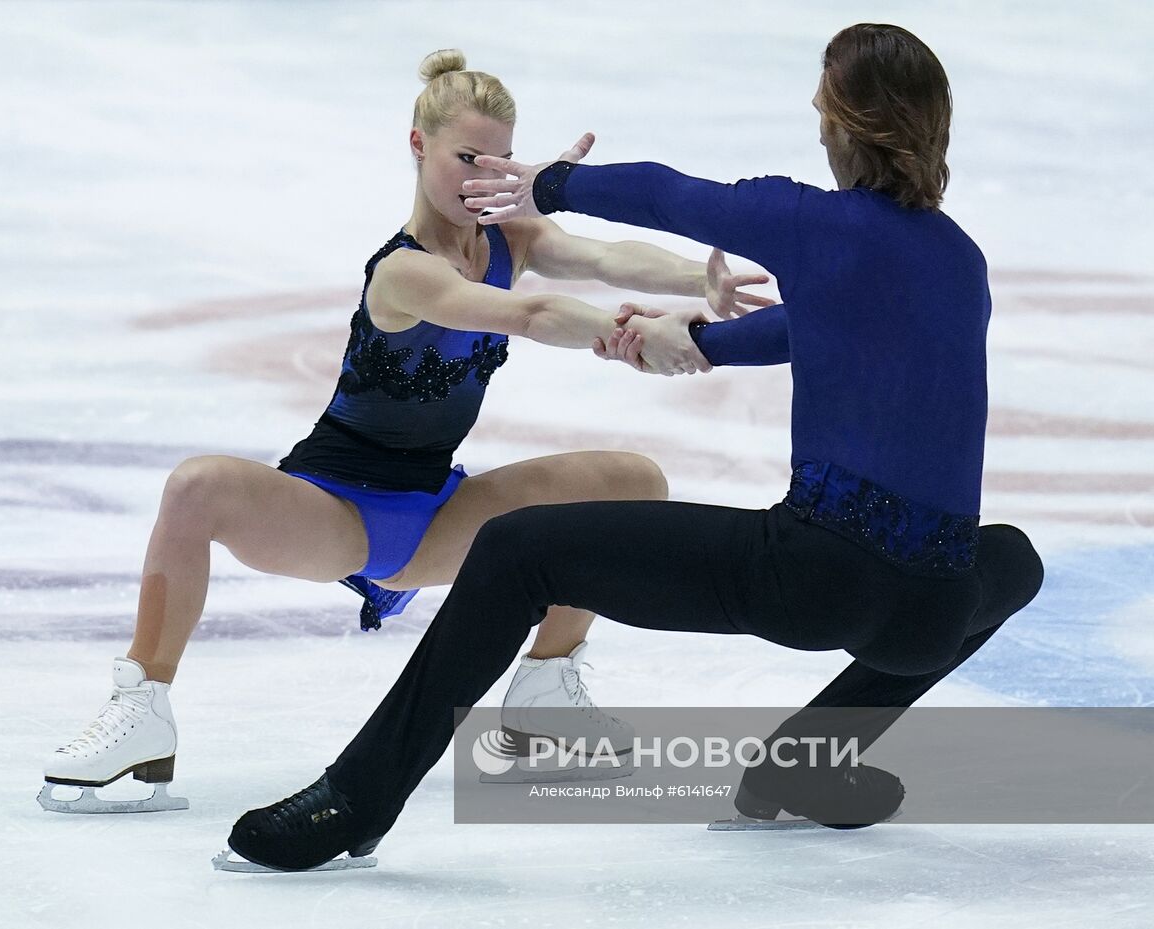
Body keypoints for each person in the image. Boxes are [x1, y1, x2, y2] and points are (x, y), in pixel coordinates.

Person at [226, 24, 1045, 870]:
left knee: (515, 552)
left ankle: (356, 797)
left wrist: (555, 181)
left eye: (821, 113)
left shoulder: (815, 223)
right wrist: (698, 341)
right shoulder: (961, 261)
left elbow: (667, 194)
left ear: (843, 125)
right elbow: (835, 329)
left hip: (815, 578)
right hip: (933, 609)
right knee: (1013, 558)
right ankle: (808, 764)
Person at [38, 49, 773, 813]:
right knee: (197, 488)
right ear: (418, 145)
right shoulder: (402, 272)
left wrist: (698, 281)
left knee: (633, 480)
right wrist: (625, 335)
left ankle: (544, 698)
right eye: (465, 157)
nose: (483, 176)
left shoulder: (507, 238)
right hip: (337, 511)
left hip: (438, 516)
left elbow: (600, 253)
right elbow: (525, 314)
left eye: (501, 159)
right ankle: (142, 712)